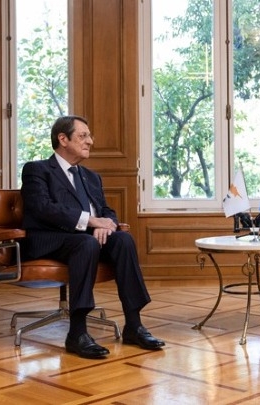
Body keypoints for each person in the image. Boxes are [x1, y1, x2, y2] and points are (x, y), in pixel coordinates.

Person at [20, 115, 165, 359]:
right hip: (51, 240)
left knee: (123, 240)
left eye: (90, 136)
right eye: (83, 136)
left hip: (85, 239)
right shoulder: (37, 170)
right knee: (86, 243)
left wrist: (106, 224)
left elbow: (106, 211)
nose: (90, 141)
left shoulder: (91, 176)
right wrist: (91, 221)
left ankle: (134, 325)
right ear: (63, 139)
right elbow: (43, 208)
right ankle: (77, 333)